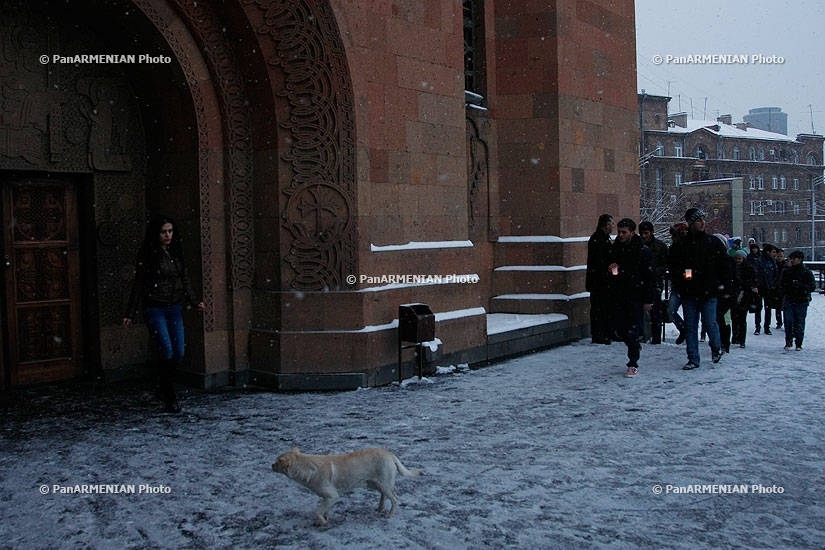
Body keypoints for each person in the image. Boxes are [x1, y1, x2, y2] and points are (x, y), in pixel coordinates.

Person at [123, 214, 205, 413]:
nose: (167, 235)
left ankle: (160, 383)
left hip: (174, 307)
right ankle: (169, 396)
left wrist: (195, 301)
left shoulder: (176, 252)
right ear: (156, 233)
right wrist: (130, 313)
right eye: (163, 231)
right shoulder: (148, 254)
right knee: (167, 351)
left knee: (178, 353)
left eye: (170, 231)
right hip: (154, 308)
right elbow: (139, 284)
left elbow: (184, 279)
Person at [667, 208, 731, 370]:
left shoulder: (713, 242)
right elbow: (674, 268)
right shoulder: (682, 245)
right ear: (690, 224)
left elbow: (724, 266)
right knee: (691, 327)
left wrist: (724, 286)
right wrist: (683, 282)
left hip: (709, 291)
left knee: (710, 323)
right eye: (698, 220)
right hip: (689, 293)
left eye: (703, 219)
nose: (702, 222)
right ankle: (693, 358)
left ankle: (716, 348)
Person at [606, 218, 655, 377]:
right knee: (620, 329)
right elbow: (611, 268)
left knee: (632, 330)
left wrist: (648, 299)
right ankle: (634, 346)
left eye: (624, 232)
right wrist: (612, 270)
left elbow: (649, 276)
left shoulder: (641, 250)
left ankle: (633, 362)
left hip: (636, 295)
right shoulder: (616, 249)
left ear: (632, 233)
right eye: (619, 232)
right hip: (620, 295)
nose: (620, 235)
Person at [586, 214, 614, 345]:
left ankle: (603, 333)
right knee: (599, 308)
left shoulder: (602, 238)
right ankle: (599, 334)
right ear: (606, 225)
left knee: (604, 308)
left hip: (601, 280)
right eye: (611, 224)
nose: (612, 226)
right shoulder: (597, 239)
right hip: (599, 281)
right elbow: (598, 261)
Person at [639, 221, 668, 344]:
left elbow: (664, 264)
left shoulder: (660, 246)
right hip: (642, 282)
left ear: (652, 232)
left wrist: (654, 272)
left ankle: (656, 337)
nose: (644, 236)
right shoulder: (639, 246)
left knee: (655, 312)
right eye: (642, 233)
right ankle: (643, 335)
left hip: (654, 282)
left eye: (646, 233)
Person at [780, 250, 816, 351]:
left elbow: (812, 286)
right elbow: (782, 285)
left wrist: (800, 286)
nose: (791, 261)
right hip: (790, 299)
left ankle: (798, 343)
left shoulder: (806, 272)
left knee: (799, 322)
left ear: (800, 260)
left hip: (801, 300)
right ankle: (789, 341)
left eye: (794, 259)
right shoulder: (787, 272)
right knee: (788, 321)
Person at [730, 249, 757, 348]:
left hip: (745, 296)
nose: (738, 261)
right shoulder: (733, 268)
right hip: (735, 296)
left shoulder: (748, 268)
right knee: (735, 319)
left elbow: (752, 282)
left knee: (741, 319)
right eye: (736, 259)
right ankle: (736, 337)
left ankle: (741, 339)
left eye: (739, 259)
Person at [667, 222, 688, 344]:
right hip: (677, 284)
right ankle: (683, 328)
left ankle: (685, 329)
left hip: (684, 284)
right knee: (671, 310)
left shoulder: (687, 247)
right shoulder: (673, 248)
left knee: (674, 310)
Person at [754, 244, 780, 335]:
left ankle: (766, 327)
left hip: (769, 287)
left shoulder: (772, 261)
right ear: (768, 252)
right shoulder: (759, 261)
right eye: (773, 252)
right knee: (759, 308)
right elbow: (755, 274)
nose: (775, 254)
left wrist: (774, 285)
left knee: (768, 308)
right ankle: (758, 327)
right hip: (761, 287)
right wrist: (756, 285)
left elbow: (775, 274)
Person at [774, 248, 787, 329]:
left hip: (783, 288)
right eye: (778, 256)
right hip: (776, 287)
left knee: (785, 306)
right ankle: (779, 322)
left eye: (781, 256)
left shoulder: (786, 265)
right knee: (777, 306)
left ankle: (785, 322)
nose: (779, 258)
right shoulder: (774, 264)